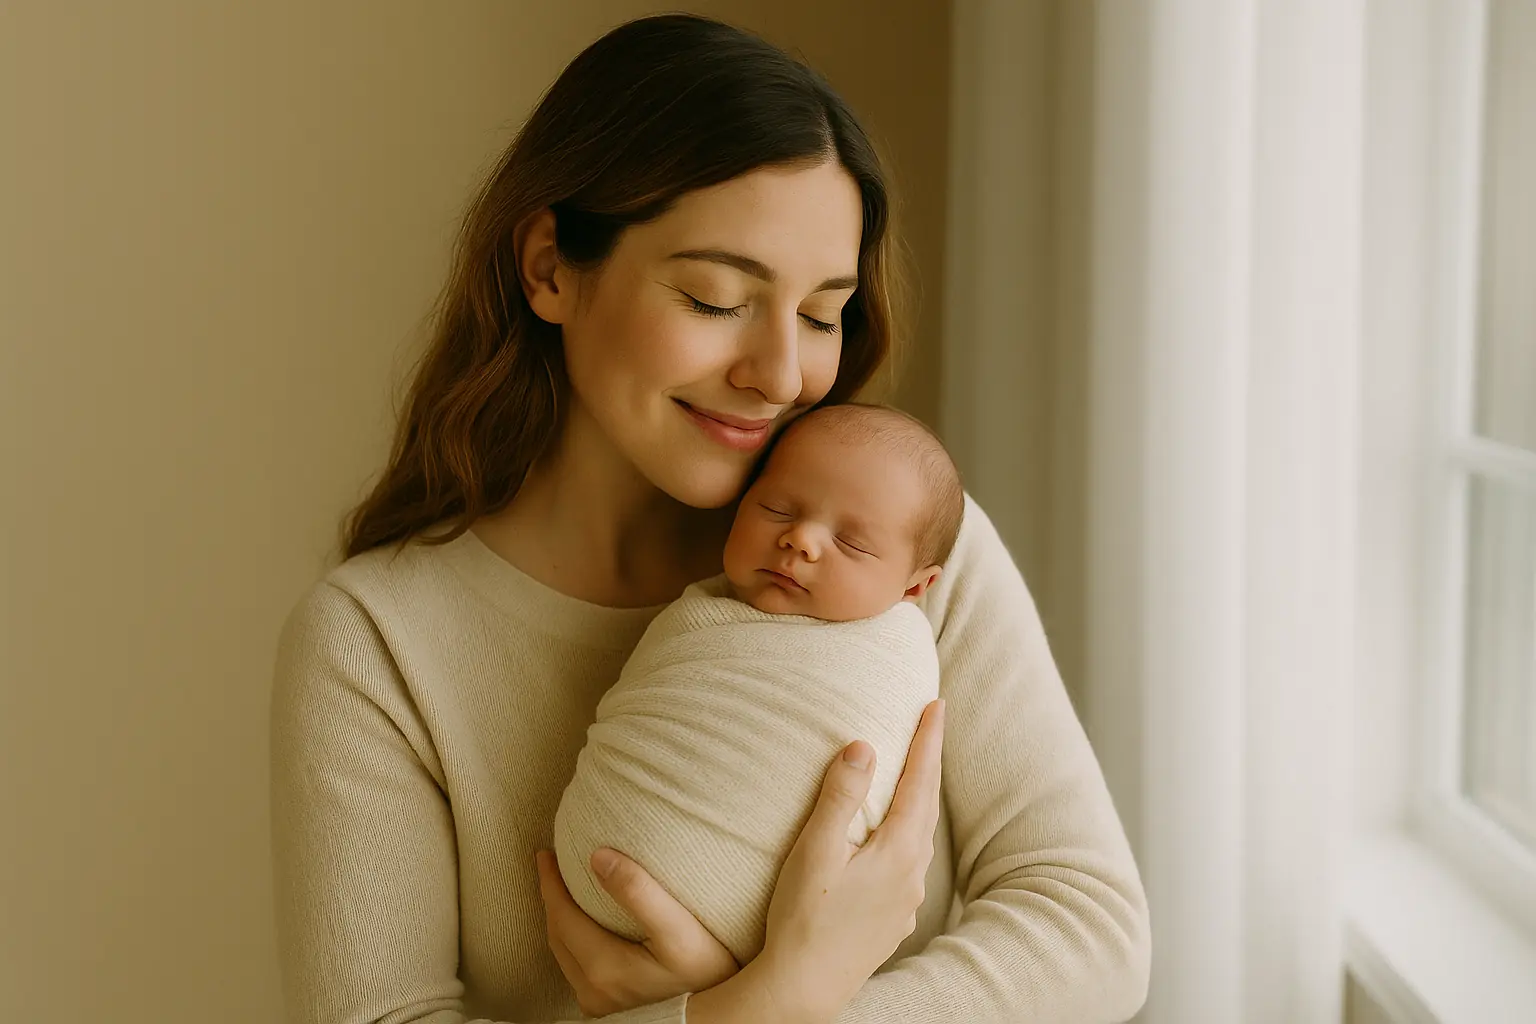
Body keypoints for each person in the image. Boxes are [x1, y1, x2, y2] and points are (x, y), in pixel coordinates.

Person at [269, 13, 1150, 1024]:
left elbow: (1091, 927)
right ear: (551, 267)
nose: (782, 372)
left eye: (823, 314)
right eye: (717, 297)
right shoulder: (378, 646)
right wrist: (756, 1007)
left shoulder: (884, 549)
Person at [553, 403, 961, 965]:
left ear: (917, 587)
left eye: (852, 544)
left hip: (784, 920)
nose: (802, 541)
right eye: (776, 508)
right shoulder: (703, 618)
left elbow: (1089, 915)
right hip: (602, 872)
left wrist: (777, 999)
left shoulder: (898, 647)